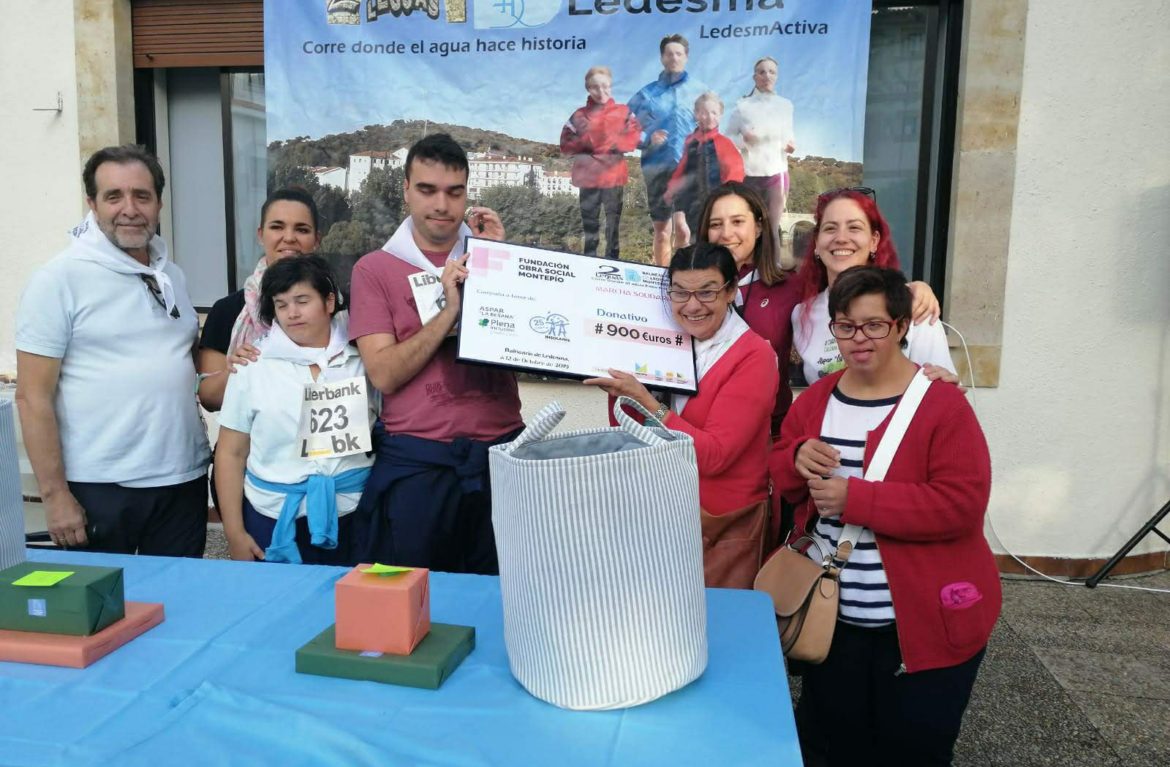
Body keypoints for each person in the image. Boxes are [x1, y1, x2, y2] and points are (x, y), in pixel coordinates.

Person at [769, 266, 998, 765]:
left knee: (913, 748)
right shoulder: (818, 399)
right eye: (845, 326)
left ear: (899, 327)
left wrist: (859, 500)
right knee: (829, 743)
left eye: (874, 325)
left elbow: (961, 504)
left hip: (918, 625)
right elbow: (784, 470)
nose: (859, 339)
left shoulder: (941, 406)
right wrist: (794, 459)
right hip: (832, 617)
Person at [14, 145, 210, 555]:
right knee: (108, 614)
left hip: (181, 481)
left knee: (181, 607)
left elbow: (181, 359)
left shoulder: (171, 274)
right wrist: (55, 496)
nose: (130, 209)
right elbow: (33, 398)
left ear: (158, 203)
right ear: (92, 204)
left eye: (142, 195)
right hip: (99, 487)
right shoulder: (58, 280)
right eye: (114, 196)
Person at [349, 133, 523, 575]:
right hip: (417, 463)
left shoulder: (495, 256)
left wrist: (499, 261)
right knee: (407, 605)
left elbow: (532, 347)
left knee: (503, 600)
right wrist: (449, 313)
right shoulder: (374, 269)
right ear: (406, 189)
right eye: (427, 190)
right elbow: (384, 374)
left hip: (500, 456)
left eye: (454, 192)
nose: (441, 205)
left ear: (467, 193)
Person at [585, 243, 777, 589]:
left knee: (714, 632)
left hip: (721, 526)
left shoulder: (755, 356)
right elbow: (632, 433)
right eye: (680, 292)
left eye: (707, 293)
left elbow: (715, 456)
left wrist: (647, 401)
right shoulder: (663, 338)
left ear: (731, 291)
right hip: (660, 515)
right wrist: (624, 395)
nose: (691, 305)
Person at [697, 182, 942, 438]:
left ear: (758, 227)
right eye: (716, 224)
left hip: (771, 433)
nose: (726, 233)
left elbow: (942, 399)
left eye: (737, 221)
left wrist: (917, 289)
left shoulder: (787, 289)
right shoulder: (805, 310)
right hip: (703, 427)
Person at [214, 256, 374, 565]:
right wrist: (234, 533)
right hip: (273, 516)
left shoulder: (362, 359)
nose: (293, 313)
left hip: (354, 513)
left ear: (329, 301)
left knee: (353, 610)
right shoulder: (252, 366)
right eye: (282, 304)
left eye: (302, 300)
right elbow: (230, 453)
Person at [793, 188, 955, 385]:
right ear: (817, 243)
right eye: (830, 228)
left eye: (854, 228)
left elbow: (942, 394)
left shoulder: (913, 307)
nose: (841, 238)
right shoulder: (802, 314)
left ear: (874, 241)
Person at [198, 187, 322, 411]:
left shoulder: (339, 309)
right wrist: (239, 369)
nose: (289, 237)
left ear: (316, 240)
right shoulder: (227, 311)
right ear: (260, 235)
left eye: (302, 229)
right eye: (277, 227)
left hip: (320, 441)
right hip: (249, 443)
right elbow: (209, 399)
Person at [628, 33, 708, 266]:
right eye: (669, 53)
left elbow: (712, 126)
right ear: (662, 58)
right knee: (663, 231)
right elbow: (623, 128)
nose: (674, 57)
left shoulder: (700, 91)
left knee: (684, 230)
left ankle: (682, 277)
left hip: (688, 168)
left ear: (686, 57)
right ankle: (659, 280)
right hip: (656, 168)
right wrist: (646, 138)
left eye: (678, 53)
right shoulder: (646, 94)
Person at [560, 65, 641, 260]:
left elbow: (634, 137)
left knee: (613, 226)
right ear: (588, 88)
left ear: (611, 86)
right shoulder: (578, 115)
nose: (601, 91)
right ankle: (589, 261)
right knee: (590, 227)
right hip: (587, 178)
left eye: (605, 86)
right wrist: (590, 142)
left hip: (613, 178)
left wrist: (611, 143)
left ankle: (612, 263)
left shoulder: (624, 112)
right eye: (595, 86)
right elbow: (565, 144)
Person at [726, 56, 797, 268]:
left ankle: (773, 272)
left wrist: (790, 145)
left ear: (777, 76)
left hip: (777, 173)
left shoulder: (786, 105)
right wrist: (743, 140)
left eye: (772, 72)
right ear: (754, 77)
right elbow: (728, 137)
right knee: (749, 226)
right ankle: (745, 271)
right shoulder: (742, 106)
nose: (767, 76)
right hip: (750, 175)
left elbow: (789, 138)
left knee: (772, 227)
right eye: (762, 72)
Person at [664, 92, 745, 241]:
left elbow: (735, 174)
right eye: (704, 112)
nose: (709, 117)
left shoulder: (724, 143)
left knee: (714, 240)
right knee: (692, 240)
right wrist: (671, 189)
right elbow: (682, 168)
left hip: (715, 204)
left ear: (720, 116)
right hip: (691, 205)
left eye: (714, 113)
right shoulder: (690, 141)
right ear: (696, 114)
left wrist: (728, 199)